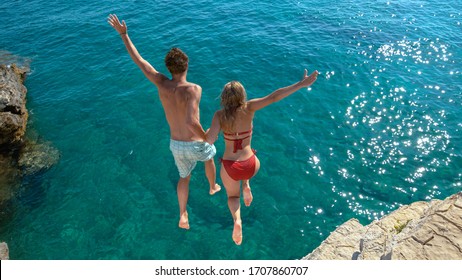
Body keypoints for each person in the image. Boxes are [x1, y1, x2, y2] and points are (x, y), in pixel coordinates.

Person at [108, 14, 221, 230]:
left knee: (183, 178)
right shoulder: (194, 89)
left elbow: (140, 61)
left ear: (168, 68)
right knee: (210, 156)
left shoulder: (161, 83)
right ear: (186, 66)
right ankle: (213, 186)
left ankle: (182, 214)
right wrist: (206, 137)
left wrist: (124, 35)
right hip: (195, 141)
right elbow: (190, 121)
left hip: (176, 144)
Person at [206, 69, 319, 245]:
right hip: (251, 165)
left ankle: (237, 220)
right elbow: (274, 97)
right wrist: (300, 84)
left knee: (232, 198)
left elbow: (210, 141)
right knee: (248, 161)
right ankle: (247, 185)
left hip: (230, 168)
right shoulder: (249, 107)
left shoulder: (219, 116)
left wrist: (205, 133)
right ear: (242, 95)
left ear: (224, 98)